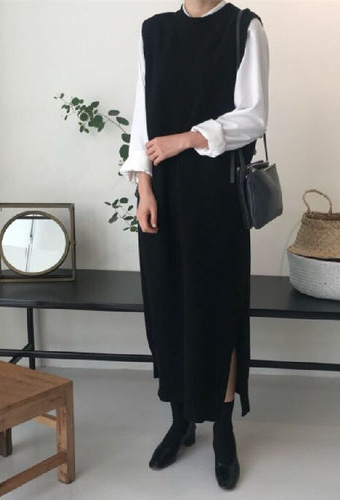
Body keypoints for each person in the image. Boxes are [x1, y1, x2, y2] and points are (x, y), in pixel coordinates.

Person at [119, 0, 269, 490]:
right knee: (167, 305)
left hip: (218, 196)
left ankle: (222, 427)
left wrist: (187, 139)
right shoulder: (154, 31)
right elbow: (141, 119)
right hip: (162, 194)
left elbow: (254, 116)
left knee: (216, 308)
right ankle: (181, 419)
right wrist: (143, 188)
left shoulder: (243, 27)